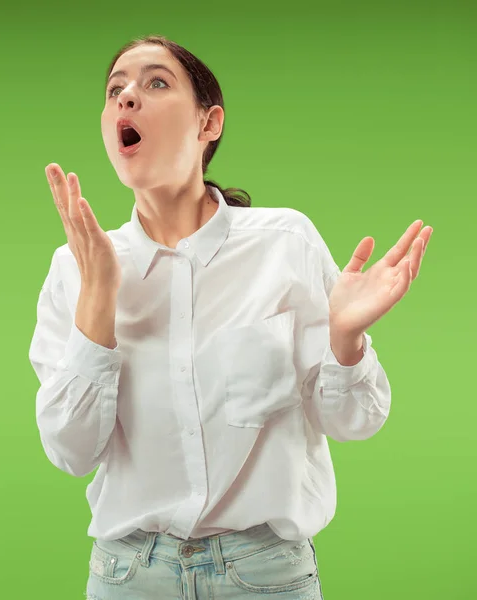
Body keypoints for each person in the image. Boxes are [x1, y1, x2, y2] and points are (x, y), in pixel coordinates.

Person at [29, 34, 432, 600]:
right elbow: (70, 452)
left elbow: (354, 421)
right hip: (128, 577)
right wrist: (98, 296)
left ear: (208, 123)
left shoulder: (284, 242)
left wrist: (345, 338)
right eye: (115, 89)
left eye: (155, 83)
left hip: (265, 574)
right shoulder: (75, 268)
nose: (126, 97)